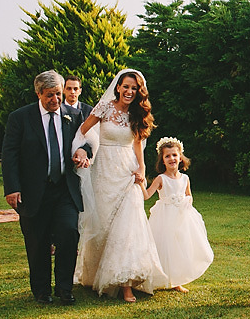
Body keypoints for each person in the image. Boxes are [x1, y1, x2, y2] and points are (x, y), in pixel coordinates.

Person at [73, 68, 167, 302]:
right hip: (104, 170)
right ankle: (96, 274)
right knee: (104, 224)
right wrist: (82, 153)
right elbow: (83, 131)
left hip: (127, 171)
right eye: (126, 86)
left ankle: (127, 282)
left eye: (134, 88)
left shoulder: (137, 113)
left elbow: (137, 145)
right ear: (117, 87)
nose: (129, 91)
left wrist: (142, 169)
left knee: (130, 224)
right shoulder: (104, 108)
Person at [2, 70, 92, 305]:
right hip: (33, 191)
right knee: (37, 241)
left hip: (64, 189)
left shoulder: (74, 115)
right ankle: (42, 290)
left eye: (59, 94)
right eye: (50, 95)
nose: (55, 100)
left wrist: (84, 151)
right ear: (38, 93)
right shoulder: (20, 118)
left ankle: (65, 288)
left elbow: (88, 142)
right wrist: (12, 188)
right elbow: (9, 155)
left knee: (68, 233)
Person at [142, 136, 214, 293]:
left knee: (179, 247)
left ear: (180, 157)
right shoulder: (161, 179)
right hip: (165, 217)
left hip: (182, 217)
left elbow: (189, 195)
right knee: (165, 247)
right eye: (167, 156)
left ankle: (176, 280)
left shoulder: (185, 178)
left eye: (174, 155)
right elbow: (147, 195)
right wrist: (140, 183)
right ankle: (159, 277)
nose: (171, 159)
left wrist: (186, 203)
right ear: (162, 160)